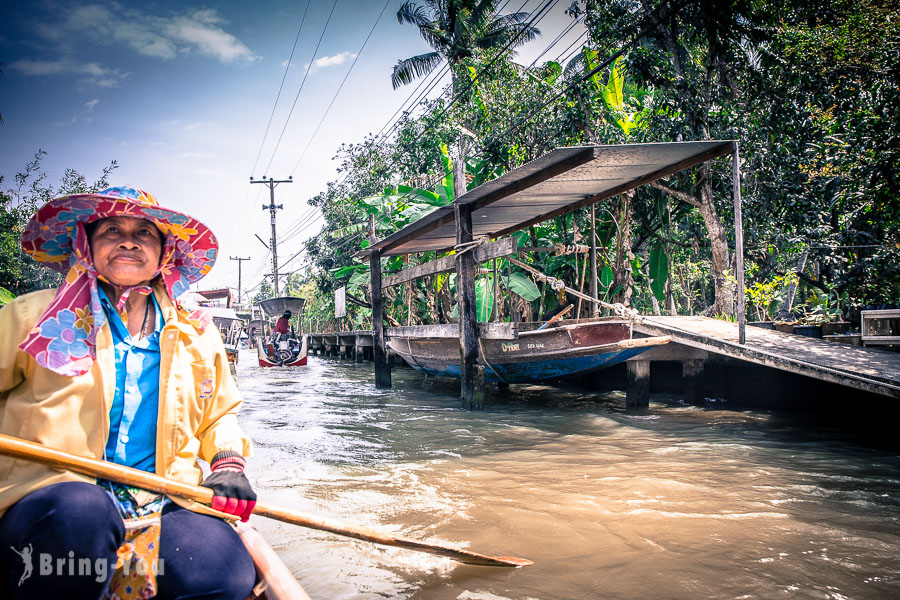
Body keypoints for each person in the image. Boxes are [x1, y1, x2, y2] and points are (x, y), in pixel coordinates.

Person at [0, 187, 257, 599]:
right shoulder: (33, 315)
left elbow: (220, 414)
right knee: (82, 514)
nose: (127, 240)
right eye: (112, 230)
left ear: (163, 253)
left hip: (168, 496)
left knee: (220, 576)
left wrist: (228, 464)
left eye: (144, 233)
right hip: (49, 494)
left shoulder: (197, 331)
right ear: (85, 243)